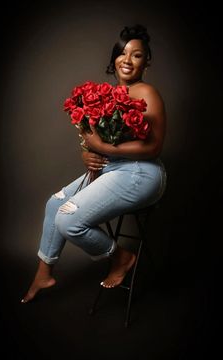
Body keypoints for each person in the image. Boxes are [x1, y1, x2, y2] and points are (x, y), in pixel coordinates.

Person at [21, 24, 167, 303]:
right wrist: (89, 154)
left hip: (143, 173)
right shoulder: (108, 96)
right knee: (54, 205)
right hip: (113, 168)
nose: (127, 60)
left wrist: (101, 146)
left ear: (146, 61)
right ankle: (44, 274)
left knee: (69, 219)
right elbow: (95, 144)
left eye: (136, 55)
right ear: (114, 58)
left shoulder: (148, 93)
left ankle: (122, 257)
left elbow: (154, 147)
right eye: (122, 53)